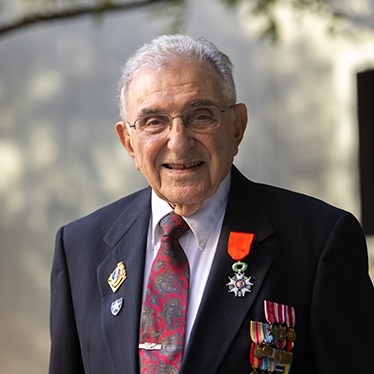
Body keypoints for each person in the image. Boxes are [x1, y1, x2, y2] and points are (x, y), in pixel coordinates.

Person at [49, 34, 374, 374]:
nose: (178, 141)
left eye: (201, 116)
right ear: (129, 142)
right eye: (154, 122)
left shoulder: (319, 240)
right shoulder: (80, 247)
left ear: (237, 127)